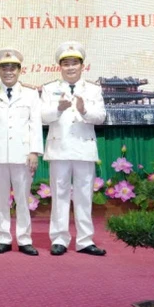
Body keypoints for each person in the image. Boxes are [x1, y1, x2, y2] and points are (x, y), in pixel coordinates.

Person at [41, 41, 107, 256]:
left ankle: (85, 240)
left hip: (83, 149)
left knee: (84, 195)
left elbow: (101, 117)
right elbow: (42, 117)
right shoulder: (50, 89)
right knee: (59, 195)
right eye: (66, 64)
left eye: (74, 63)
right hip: (59, 148)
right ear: (60, 67)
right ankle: (59, 239)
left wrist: (84, 110)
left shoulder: (94, 89)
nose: (70, 68)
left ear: (82, 66)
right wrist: (58, 110)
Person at [0, 48, 42, 256]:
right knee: (1, 200)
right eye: (4, 68)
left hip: (23, 155)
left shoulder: (31, 94)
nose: (8, 72)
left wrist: (34, 152)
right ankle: (3, 238)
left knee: (23, 199)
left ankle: (24, 239)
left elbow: (35, 125)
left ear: (19, 70)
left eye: (12, 68)